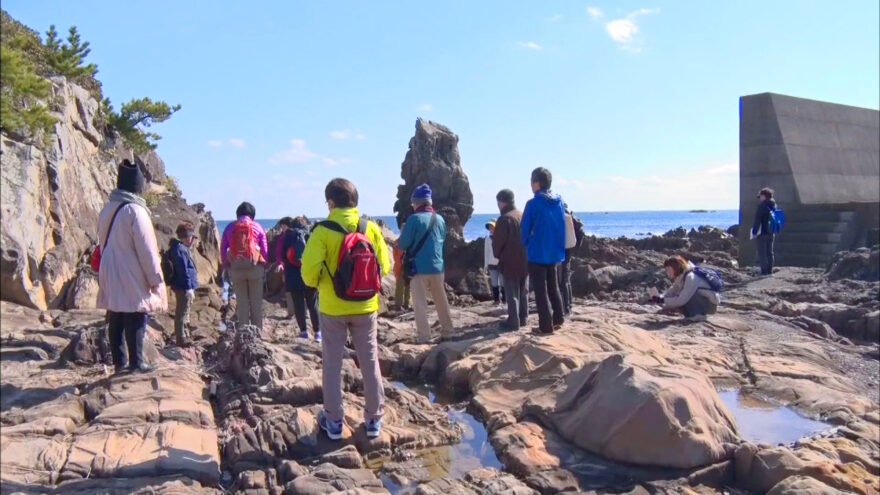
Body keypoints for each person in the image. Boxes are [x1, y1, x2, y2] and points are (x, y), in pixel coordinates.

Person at [301, 178, 391, 441]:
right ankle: (374, 420)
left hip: (333, 308)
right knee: (370, 360)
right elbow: (384, 267)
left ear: (331, 202)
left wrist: (326, 283)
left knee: (332, 364)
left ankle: (334, 422)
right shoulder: (370, 228)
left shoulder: (322, 231)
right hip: (366, 306)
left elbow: (308, 274)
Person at [96, 159, 167, 373]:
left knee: (116, 312)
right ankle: (137, 363)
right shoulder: (136, 211)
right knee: (136, 312)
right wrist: (156, 279)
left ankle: (120, 363)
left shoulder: (108, 208)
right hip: (130, 268)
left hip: (109, 265)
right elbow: (147, 250)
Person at [398, 184, 454, 343]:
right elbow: (442, 241)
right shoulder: (440, 219)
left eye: (413, 203)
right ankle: (448, 331)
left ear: (418, 203)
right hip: (438, 266)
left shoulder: (414, 219)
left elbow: (403, 245)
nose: (413, 206)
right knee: (441, 299)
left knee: (420, 303)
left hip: (419, 267)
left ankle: (424, 336)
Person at [521, 167, 567, 334]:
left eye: (531, 182)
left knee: (540, 290)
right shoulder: (559, 202)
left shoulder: (533, 204)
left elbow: (525, 229)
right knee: (553, 286)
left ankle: (545, 326)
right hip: (555, 251)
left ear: (537, 183)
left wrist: (526, 242)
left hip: (537, 251)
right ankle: (559, 318)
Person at [220, 202, 268, 330]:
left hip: (236, 268)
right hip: (255, 268)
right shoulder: (257, 227)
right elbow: (265, 249)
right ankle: (257, 332)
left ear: (237, 215)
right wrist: (263, 265)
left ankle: (243, 332)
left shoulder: (230, 227)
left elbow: (223, 249)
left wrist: (226, 266)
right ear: (252, 215)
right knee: (256, 302)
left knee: (242, 303)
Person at [279, 216, 321, 341]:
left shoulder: (288, 236)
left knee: (298, 304)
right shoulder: (310, 235)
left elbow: (283, 256)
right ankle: (318, 333)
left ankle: (304, 332)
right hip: (309, 274)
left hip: (293, 275)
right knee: (313, 304)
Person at [493, 189, 529, 331]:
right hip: (526, 258)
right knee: (523, 289)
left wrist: (498, 255)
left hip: (510, 260)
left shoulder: (504, 219)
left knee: (511, 292)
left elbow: (497, 243)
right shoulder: (522, 215)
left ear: (502, 202)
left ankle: (514, 321)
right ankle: (524, 317)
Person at [166, 222, 199, 346]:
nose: (193, 241)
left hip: (182, 285)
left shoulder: (180, 248)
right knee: (182, 312)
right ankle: (181, 339)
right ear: (187, 237)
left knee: (185, 310)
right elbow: (183, 270)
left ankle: (185, 334)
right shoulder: (180, 250)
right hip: (182, 286)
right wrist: (189, 288)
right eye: (192, 238)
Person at [654, 256, 719, 320]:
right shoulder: (680, 278)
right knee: (679, 296)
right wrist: (659, 298)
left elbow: (681, 300)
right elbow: (671, 292)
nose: (667, 272)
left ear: (676, 268)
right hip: (702, 303)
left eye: (669, 270)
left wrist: (662, 301)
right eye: (666, 270)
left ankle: (698, 315)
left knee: (689, 295)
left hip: (709, 305)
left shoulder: (690, 277)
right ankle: (692, 313)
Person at [751, 187, 778, 276]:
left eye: (760, 196)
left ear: (764, 196)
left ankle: (764, 271)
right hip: (771, 232)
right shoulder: (774, 205)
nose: (760, 198)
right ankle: (770, 270)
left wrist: (754, 232)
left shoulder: (762, 206)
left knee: (762, 253)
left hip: (762, 233)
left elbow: (757, 220)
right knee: (770, 252)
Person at [392, 220, 411, 311]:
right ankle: (398, 305)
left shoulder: (410, 241)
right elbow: (396, 256)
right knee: (400, 286)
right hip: (401, 266)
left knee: (408, 286)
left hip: (408, 266)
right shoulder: (397, 242)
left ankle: (407, 303)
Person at [484, 221, 505, 304]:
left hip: (501, 263)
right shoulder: (488, 238)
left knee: (503, 282)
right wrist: (485, 266)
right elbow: (486, 252)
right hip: (492, 263)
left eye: (492, 226)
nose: (491, 228)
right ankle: (496, 300)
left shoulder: (501, 237)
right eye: (490, 227)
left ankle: (504, 300)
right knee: (494, 283)